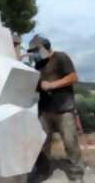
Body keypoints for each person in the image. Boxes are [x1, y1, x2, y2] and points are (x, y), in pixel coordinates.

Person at [28, 35, 83, 179]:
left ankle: (77, 175)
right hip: (45, 110)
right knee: (42, 143)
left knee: (70, 143)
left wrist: (52, 85)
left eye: (35, 50)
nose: (33, 54)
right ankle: (43, 171)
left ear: (45, 48)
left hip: (64, 109)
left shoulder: (60, 57)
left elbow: (73, 77)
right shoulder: (38, 65)